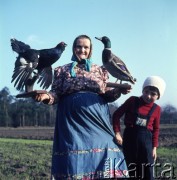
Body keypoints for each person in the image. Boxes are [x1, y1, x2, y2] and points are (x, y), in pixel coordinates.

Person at [34, 35, 131, 179]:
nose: (82, 50)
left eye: (86, 47)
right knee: (73, 156)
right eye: (79, 46)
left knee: (107, 149)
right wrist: (46, 97)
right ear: (74, 49)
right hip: (71, 123)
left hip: (97, 120)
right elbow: (56, 93)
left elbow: (107, 95)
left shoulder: (100, 70)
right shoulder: (62, 70)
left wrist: (119, 91)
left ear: (90, 50)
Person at [113, 76, 166, 180]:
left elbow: (156, 129)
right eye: (146, 92)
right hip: (130, 142)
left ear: (158, 96)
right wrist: (117, 133)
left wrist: (154, 148)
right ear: (143, 90)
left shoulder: (157, 109)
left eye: (153, 94)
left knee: (148, 171)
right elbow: (116, 115)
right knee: (132, 171)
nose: (148, 96)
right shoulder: (132, 101)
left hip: (146, 145)